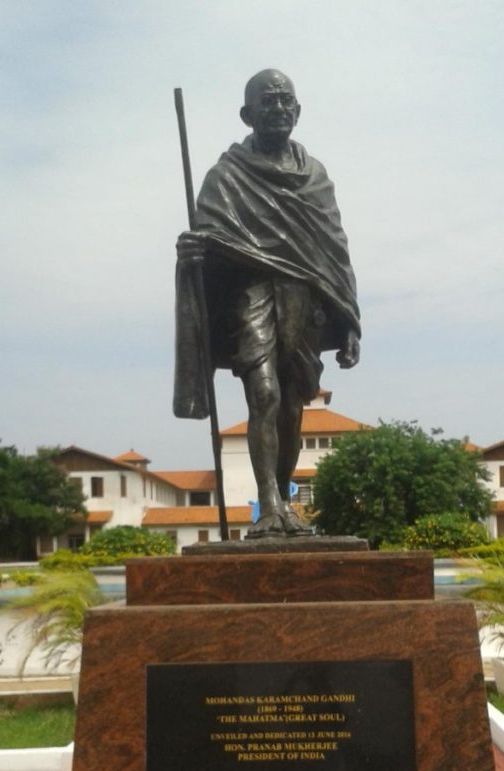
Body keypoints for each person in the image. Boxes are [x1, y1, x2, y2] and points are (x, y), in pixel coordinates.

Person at [174, 69, 360, 536]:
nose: (278, 108)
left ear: (297, 112)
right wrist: (191, 253)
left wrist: (351, 321)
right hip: (250, 293)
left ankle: (283, 502)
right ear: (247, 114)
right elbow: (209, 239)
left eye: (285, 101)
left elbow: (334, 251)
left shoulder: (315, 177)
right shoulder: (227, 177)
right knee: (264, 394)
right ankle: (268, 507)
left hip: (305, 300)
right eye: (267, 101)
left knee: (293, 405)